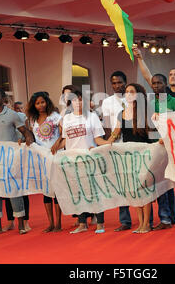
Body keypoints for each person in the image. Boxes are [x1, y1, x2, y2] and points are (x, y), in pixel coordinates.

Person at [53, 88, 112, 234]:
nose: (77, 102)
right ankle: (82, 223)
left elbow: (98, 139)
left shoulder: (91, 117)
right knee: (77, 192)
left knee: (94, 191)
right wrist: (54, 149)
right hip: (72, 160)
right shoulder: (67, 119)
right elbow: (66, 140)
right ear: (70, 103)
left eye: (80, 99)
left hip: (89, 159)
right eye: (73, 100)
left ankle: (100, 223)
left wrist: (110, 143)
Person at [0, 89, 35, 235]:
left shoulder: (13, 115)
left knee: (13, 190)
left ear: (3, 98)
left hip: (10, 160)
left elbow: (25, 132)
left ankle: (21, 224)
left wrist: (27, 142)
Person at [109, 83, 154, 233]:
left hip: (144, 155)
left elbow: (154, 134)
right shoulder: (121, 113)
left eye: (131, 92)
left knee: (145, 190)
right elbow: (115, 134)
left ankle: (147, 224)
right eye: (126, 92)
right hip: (129, 157)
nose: (128, 94)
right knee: (134, 190)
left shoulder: (146, 112)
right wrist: (103, 144)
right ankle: (141, 223)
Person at [150, 73, 175, 230]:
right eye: (153, 83)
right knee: (160, 183)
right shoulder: (149, 104)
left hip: (173, 147)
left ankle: (174, 216)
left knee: (172, 182)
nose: (156, 86)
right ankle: (165, 217)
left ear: (165, 84)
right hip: (155, 148)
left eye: (159, 83)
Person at [27, 91, 63, 232]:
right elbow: (32, 138)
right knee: (46, 191)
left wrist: (58, 142)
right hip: (41, 159)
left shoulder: (55, 116)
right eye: (37, 103)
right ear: (34, 105)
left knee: (56, 190)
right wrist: (24, 140)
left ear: (47, 102)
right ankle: (51, 224)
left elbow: (63, 132)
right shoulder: (32, 120)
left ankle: (59, 224)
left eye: (42, 102)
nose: (40, 105)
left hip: (55, 156)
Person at [101, 71, 132, 232]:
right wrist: (107, 144)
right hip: (115, 146)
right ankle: (125, 220)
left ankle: (146, 218)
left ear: (125, 82)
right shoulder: (107, 102)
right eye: (114, 83)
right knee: (120, 184)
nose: (117, 85)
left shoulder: (133, 98)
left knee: (138, 181)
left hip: (133, 145)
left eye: (120, 82)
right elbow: (107, 126)